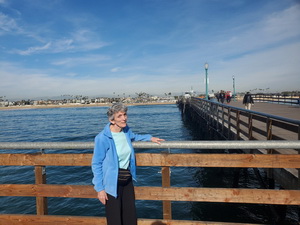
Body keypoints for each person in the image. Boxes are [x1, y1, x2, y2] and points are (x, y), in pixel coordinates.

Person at [91, 103, 165, 225]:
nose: (124, 118)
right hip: (111, 183)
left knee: (130, 217)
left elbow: (135, 136)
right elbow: (96, 163)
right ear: (112, 120)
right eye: (119, 116)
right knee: (115, 219)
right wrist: (100, 189)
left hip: (127, 180)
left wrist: (150, 138)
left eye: (125, 114)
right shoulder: (102, 138)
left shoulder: (126, 131)